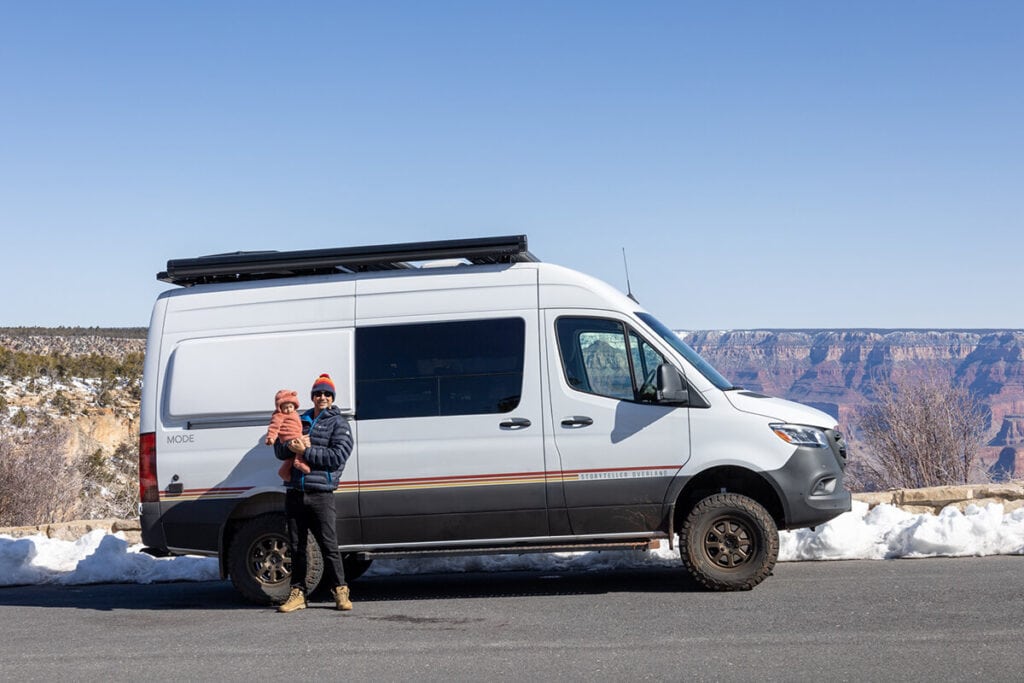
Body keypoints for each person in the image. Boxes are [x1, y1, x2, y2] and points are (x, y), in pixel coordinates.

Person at [275, 373, 354, 613]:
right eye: (318, 393)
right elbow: (279, 449)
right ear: (312, 396)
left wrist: (307, 453)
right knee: (297, 546)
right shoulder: (300, 419)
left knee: (328, 545)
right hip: (295, 492)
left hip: (321, 493)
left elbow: (338, 457)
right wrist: (290, 446)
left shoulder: (339, 423)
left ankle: (340, 591)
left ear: (332, 398)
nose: (322, 397)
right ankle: (298, 593)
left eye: (327, 393)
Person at [265, 389, 310, 483]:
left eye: (291, 406)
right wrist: (271, 437)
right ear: (280, 407)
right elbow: (274, 426)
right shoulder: (279, 415)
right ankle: (299, 462)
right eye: (285, 407)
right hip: (288, 436)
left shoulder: (295, 414)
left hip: (296, 434)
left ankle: (283, 471)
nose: (288, 409)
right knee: (302, 445)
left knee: (290, 458)